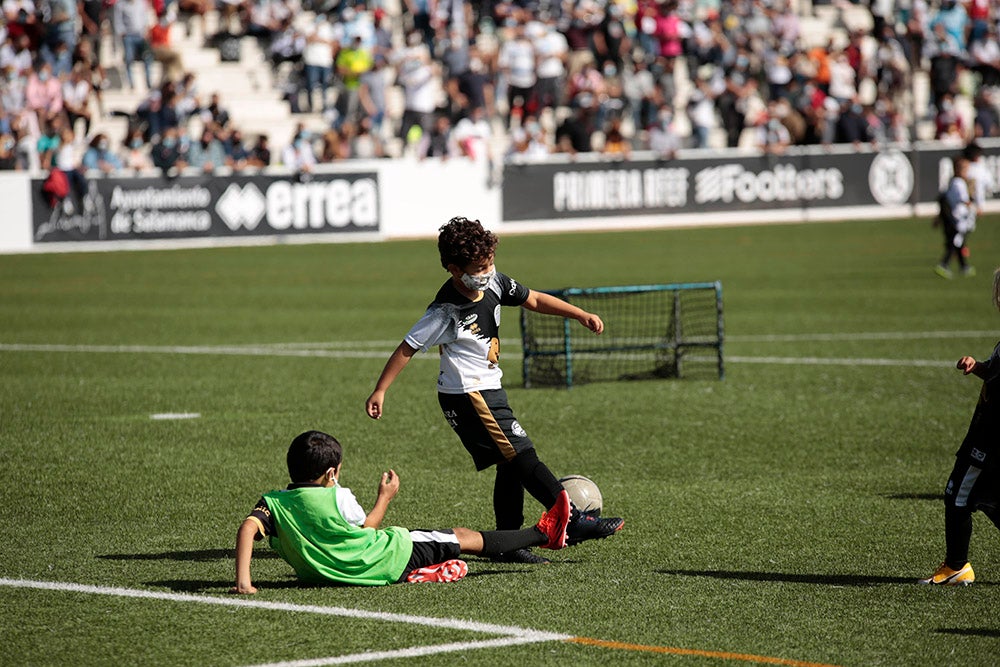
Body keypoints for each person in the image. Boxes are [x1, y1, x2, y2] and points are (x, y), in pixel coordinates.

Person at [365, 217, 624, 565]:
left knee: (509, 464)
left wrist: (578, 314)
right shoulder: (446, 311)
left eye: (490, 264)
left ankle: (508, 542)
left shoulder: (496, 282)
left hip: (488, 389)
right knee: (523, 455)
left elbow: (533, 299)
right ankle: (571, 518)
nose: (487, 272)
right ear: (455, 269)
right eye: (479, 268)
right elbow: (407, 347)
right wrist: (381, 390)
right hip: (469, 395)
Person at [231, 430, 572, 592]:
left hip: (328, 575)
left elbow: (247, 528)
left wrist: (244, 582)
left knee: (431, 541)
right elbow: (366, 528)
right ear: (332, 473)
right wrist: (385, 497)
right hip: (384, 558)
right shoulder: (337, 496)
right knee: (460, 537)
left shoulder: (274, 503)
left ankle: (427, 569)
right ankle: (544, 532)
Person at [919, 269, 1000, 586]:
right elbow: (996, 374)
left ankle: (956, 566)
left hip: (990, 439)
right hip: (985, 433)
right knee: (989, 498)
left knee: (958, 494)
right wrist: (979, 367)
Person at [934, 156, 976, 279]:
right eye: (965, 170)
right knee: (955, 242)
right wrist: (974, 206)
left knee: (959, 242)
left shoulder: (952, 182)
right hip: (958, 219)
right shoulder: (959, 183)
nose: (967, 173)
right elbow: (964, 200)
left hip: (954, 218)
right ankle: (943, 264)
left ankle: (964, 267)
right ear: (958, 170)